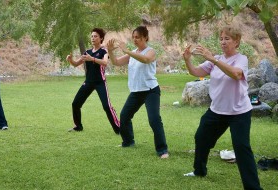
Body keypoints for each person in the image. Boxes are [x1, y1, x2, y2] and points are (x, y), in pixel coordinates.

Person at [182, 25, 262, 190]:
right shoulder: (216, 58)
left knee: (241, 147)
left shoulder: (241, 59)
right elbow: (196, 72)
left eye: (227, 39)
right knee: (201, 137)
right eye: (221, 39)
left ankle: (253, 187)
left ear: (236, 41)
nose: (223, 42)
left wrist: (213, 59)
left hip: (239, 111)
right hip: (217, 110)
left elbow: (236, 74)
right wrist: (187, 59)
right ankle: (199, 171)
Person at [107, 26, 169, 158]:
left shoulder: (150, 51)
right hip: (136, 92)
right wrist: (110, 52)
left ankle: (162, 150)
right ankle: (128, 142)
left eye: (137, 37)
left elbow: (145, 59)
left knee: (154, 119)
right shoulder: (133, 52)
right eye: (133, 37)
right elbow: (116, 62)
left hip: (151, 91)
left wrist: (127, 51)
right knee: (124, 116)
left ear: (145, 37)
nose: (135, 40)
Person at [66, 28, 120, 134]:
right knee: (75, 103)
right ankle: (78, 126)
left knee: (107, 106)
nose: (93, 38)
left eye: (95, 36)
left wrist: (93, 59)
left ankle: (118, 129)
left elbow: (105, 63)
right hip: (89, 82)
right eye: (92, 36)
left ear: (101, 38)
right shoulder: (88, 52)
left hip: (100, 82)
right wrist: (70, 60)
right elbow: (76, 64)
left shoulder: (104, 51)